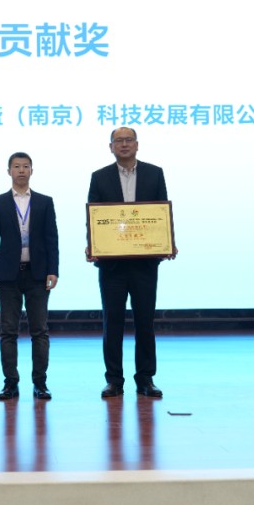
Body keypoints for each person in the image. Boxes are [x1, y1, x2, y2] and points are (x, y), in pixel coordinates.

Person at [86, 127, 174, 398]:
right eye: (118, 141)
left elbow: (161, 212)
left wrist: (168, 241)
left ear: (137, 145)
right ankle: (114, 380)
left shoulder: (154, 173)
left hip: (145, 263)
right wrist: (93, 245)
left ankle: (146, 379)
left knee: (145, 322)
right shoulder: (99, 177)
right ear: (110, 147)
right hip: (111, 265)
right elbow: (93, 217)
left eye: (128, 140)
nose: (124, 145)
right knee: (112, 322)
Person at [0, 152, 60, 401]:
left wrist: (53, 269)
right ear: (9, 171)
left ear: (31, 171)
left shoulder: (44, 202)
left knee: (40, 331)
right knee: (8, 332)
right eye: (16, 166)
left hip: (38, 274)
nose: (21, 170)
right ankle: (10, 383)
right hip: (8, 274)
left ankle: (40, 383)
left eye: (25, 166)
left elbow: (52, 238)